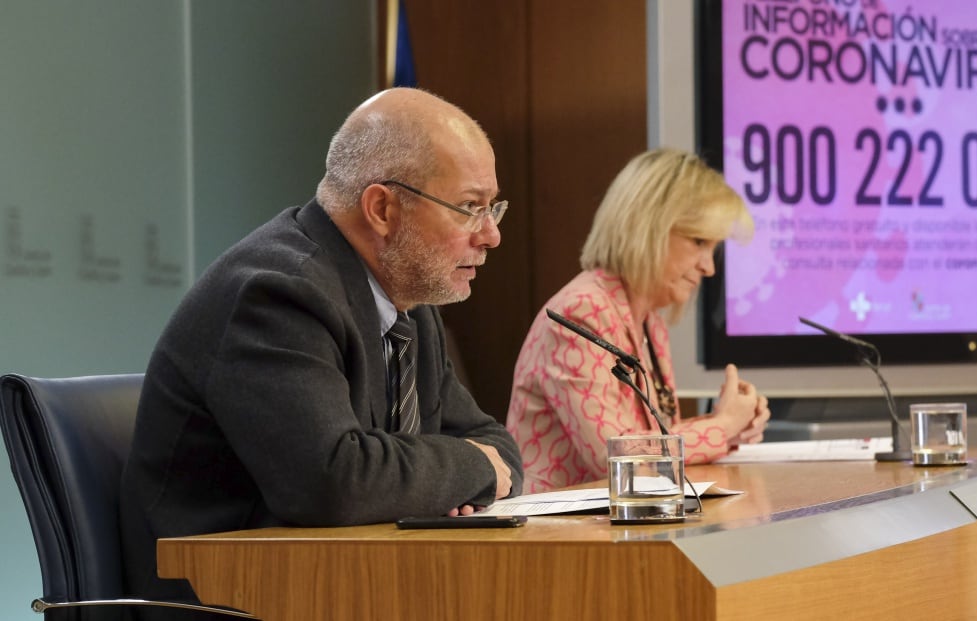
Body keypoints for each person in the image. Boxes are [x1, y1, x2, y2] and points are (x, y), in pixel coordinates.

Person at [119, 88, 523, 616]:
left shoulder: (408, 303)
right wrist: (471, 468)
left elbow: (497, 445)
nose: (490, 235)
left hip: (341, 586)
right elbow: (333, 482)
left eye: (492, 208)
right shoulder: (277, 293)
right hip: (227, 599)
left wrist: (465, 468)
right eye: (469, 208)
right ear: (382, 208)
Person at [506, 148, 770, 493]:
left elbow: (649, 443)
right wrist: (721, 427)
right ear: (648, 228)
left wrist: (733, 420)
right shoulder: (581, 311)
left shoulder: (649, 321)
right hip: (559, 536)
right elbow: (613, 456)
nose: (709, 267)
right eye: (699, 242)